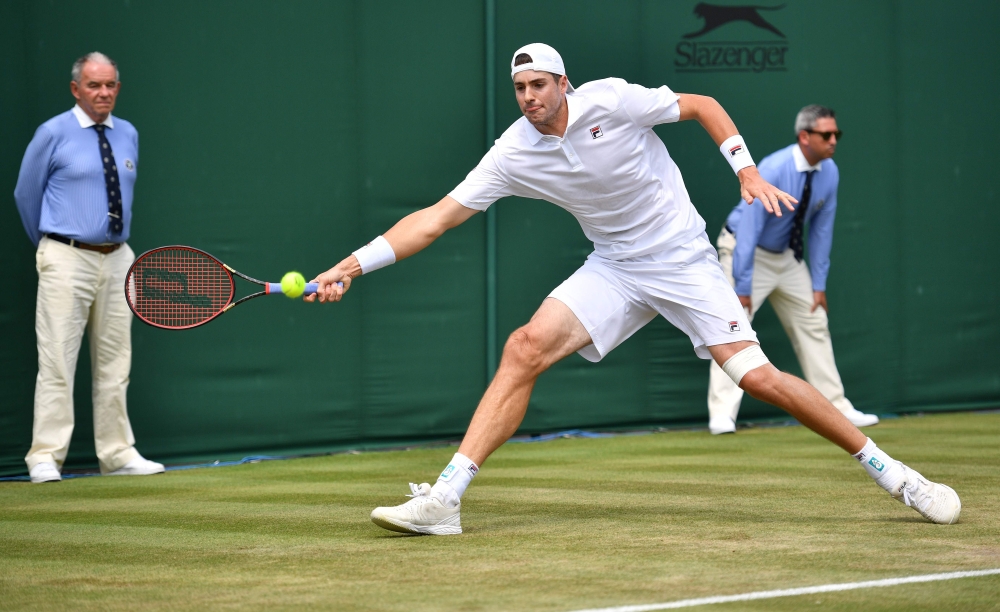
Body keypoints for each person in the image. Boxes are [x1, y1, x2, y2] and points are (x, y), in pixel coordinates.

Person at [307, 43, 960, 532]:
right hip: (616, 267)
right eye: (519, 87)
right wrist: (351, 265)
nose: (529, 96)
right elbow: (436, 219)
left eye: (539, 84)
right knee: (525, 347)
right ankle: (445, 500)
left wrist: (745, 172)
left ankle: (897, 475)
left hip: (683, 260)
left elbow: (701, 105)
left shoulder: (612, 101)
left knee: (756, 378)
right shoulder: (513, 151)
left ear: (564, 83)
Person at [14, 52, 164, 483]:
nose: (104, 93)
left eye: (111, 85)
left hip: (118, 258)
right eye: (95, 85)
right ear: (76, 88)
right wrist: (54, 246)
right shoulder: (52, 132)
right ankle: (45, 457)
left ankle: (117, 454)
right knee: (58, 359)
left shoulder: (128, 133)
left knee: (116, 363)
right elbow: (27, 195)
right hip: (65, 256)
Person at [706, 105, 879, 435]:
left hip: (785, 257)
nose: (833, 141)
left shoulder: (830, 172)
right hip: (744, 250)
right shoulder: (773, 167)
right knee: (732, 329)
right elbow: (750, 230)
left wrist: (819, 283)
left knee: (814, 319)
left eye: (836, 135)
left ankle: (837, 407)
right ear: (804, 137)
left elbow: (821, 230)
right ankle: (722, 415)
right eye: (826, 135)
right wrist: (742, 286)